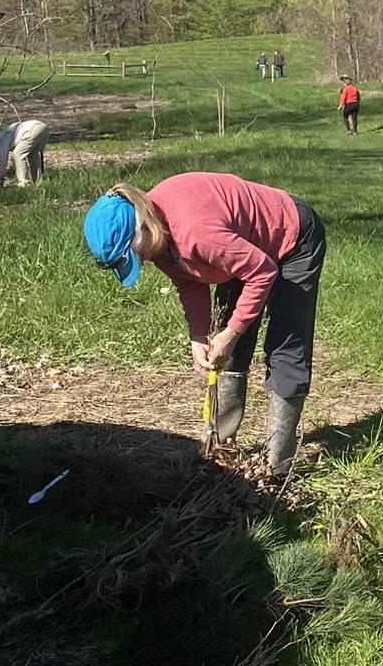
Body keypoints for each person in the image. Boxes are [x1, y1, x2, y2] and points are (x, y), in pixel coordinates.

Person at [82, 174, 327, 477]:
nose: (141, 262)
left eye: (136, 255)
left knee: (284, 347)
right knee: (228, 350)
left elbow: (262, 272)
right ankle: (217, 446)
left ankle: (277, 465)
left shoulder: (196, 232)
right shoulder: (157, 236)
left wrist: (233, 331)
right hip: (241, 246)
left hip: (292, 237)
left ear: (142, 224)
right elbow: (189, 280)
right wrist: (199, 335)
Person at [0, 119, 51, 187]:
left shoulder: (1, 139)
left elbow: (4, 159)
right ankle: (38, 181)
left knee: (17, 154)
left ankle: (24, 183)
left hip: (32, 129)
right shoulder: (7, 132)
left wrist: (0, 176)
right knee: (32, 154)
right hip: (43, 128)